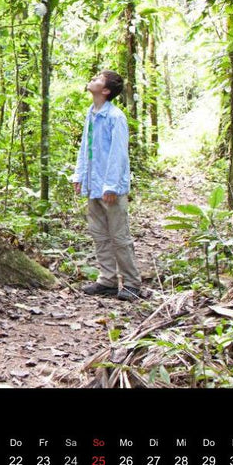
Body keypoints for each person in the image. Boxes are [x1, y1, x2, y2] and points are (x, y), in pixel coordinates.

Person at [70, 70, 150, 302]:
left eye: (97, 79)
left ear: (105, 91)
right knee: (99, 234)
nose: (92, 80)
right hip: (93, 184)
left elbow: (118, 153)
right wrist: (79, 175)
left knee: (119, 236)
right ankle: (107, 280)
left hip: (110, 187)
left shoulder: (116, 117)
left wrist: (112, 186)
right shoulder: (91, 114)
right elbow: (86, 146)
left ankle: (132, 282)